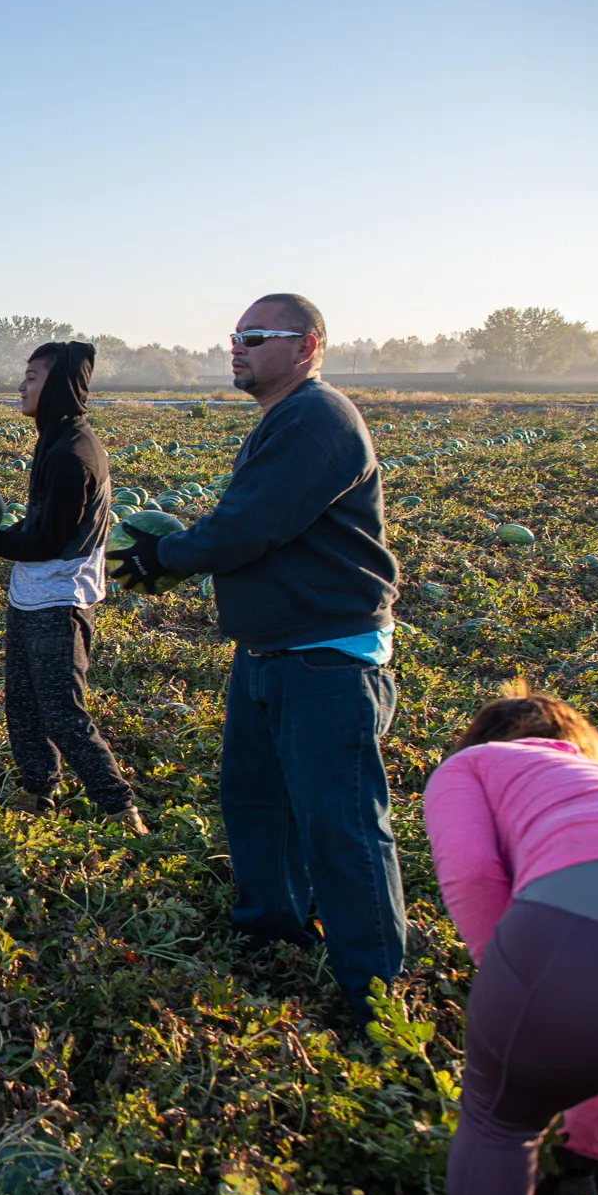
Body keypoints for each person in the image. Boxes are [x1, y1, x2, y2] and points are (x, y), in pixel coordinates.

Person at [110, 293, 403, 1028]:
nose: (236, 347)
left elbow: (253, 523)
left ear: (306, 345)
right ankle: (273, 937)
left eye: (255, 336)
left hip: (327, 658)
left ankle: (377, 998)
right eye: (234, 335)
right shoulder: (284, 419)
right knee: (257, 805)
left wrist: (166, 556)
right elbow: (246, 524)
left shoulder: (318, 418)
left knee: (342, 825)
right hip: (271, 651)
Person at [423, 687, 598, 1195]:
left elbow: (473, 873)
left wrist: (508, 973)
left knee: (499, 1121)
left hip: (573, 943)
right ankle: (581, 1169)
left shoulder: (472, 765)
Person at [0, 341, 144, 834]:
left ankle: (121, 809)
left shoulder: (73, 453)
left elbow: (49, 539)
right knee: (24, 705)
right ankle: (39, 791)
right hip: (34, 594)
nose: (21, 384)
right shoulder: (55, 439)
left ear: (58, 385)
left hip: (59, 601)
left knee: (61, 713)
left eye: (32, 376)